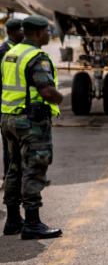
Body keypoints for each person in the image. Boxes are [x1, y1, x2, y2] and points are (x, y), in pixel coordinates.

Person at [1, 15, 63, 239]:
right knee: (34, 170)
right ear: (38, 33)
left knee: (13, 170)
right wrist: (60, 98)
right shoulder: (37, 57)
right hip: (31, 123)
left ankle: (13, 220)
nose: (49, 34)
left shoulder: (11, 53)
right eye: (47, 31)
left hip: (8, 118)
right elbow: (46, 91)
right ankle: (33, 223)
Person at [1, 18, 24, 181]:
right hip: (6, 108)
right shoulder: (3, 51)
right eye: (20, 30)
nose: (23, 33)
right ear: (11, 33)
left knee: (20, 148)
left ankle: (21, 178)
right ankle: (9, 179)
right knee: (9, 148)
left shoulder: (18, 49)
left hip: (18, 108)